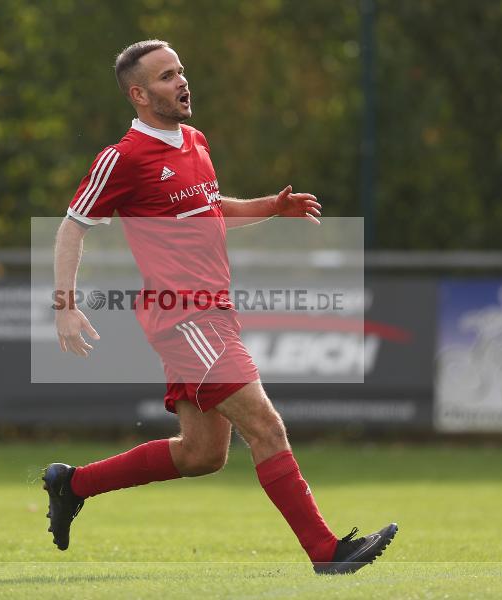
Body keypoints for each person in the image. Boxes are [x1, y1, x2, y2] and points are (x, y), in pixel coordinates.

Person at [44, 39, 397, 575]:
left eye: (181, 71)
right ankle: (326, 552)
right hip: (183, 316)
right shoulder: (123, 158)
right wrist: (64, 306)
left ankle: (73, 483)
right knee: (267, 428)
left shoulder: (194, 141)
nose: (181, 82)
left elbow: (210, 208)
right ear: (138, 94)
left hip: (212, 313)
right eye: (166, 77)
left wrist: (271, 208)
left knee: (202, 455)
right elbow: (73, 225)